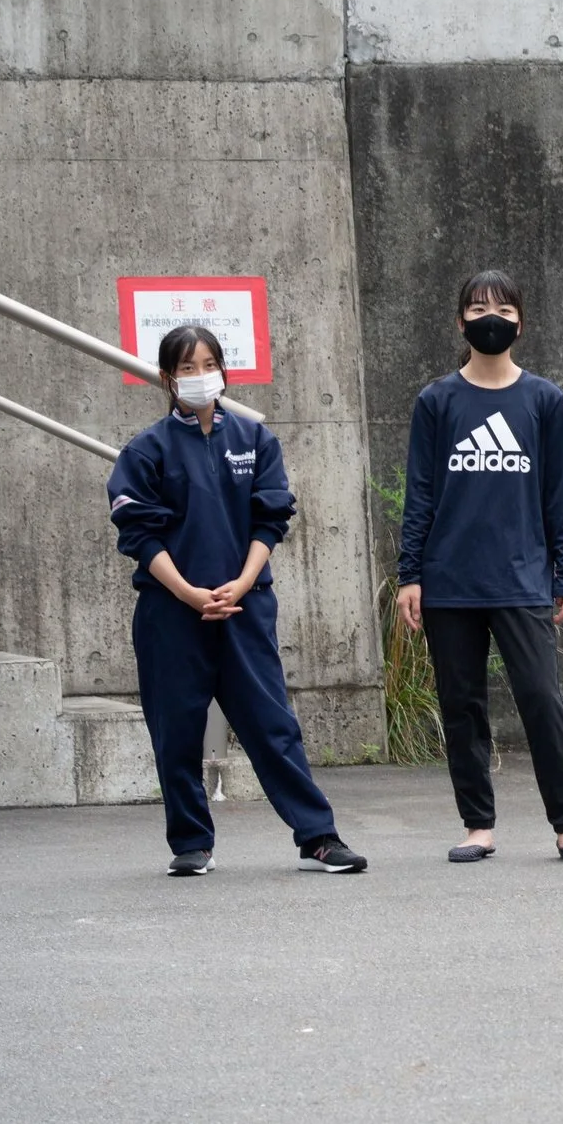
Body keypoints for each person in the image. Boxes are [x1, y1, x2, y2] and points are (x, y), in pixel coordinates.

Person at [106, 325, 367, 876]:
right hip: (171, 613)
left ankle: (318, 836)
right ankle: (191, 843)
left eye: (209, 365)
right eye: (187, 368)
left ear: (224, 370)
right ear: (167, 378)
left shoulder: (254, 439)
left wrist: (244, 582)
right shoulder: (146, 449)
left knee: (272, 724)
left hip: (245, 608)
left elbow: (271, 519)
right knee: (176, 728)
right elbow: (139, 534)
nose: (200, 377)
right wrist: (187, 592)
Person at [395, 270, 563, 864]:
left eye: (504, 310)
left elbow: (559, 495)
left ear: (521, 323)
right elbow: (420, 494)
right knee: (462, 705)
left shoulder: (544, 400)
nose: (491, 319)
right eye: (479, 308)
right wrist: (410, 575)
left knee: (542, 699)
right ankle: (477, 825)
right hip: (449, 580)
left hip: (522, 577)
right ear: (460, 321)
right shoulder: (437, 401)